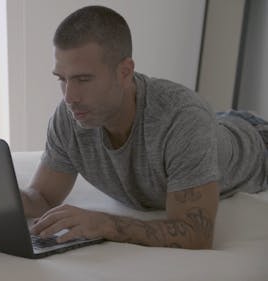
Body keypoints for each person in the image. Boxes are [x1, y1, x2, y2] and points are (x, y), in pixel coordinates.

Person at [20, 5, 268, 250]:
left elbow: (196, 234)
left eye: (83, 79)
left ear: (125, 72)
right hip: (214, 125)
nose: (70, 97)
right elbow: (42, 198)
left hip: (258, 140)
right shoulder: (69, 117)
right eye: (62, 79)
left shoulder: (183, 120)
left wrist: (106, 224)